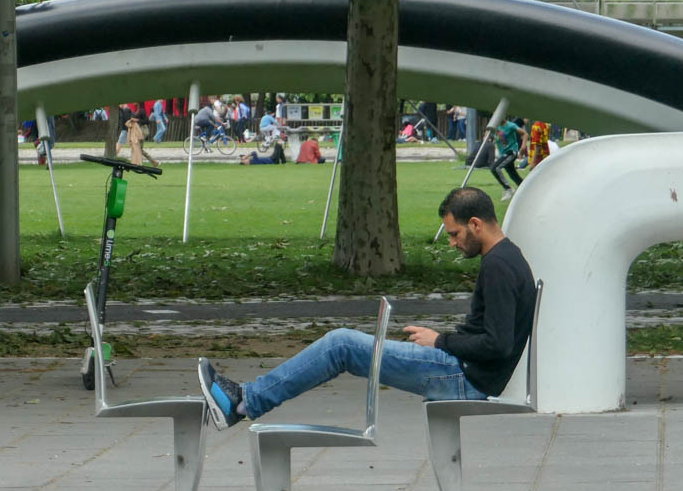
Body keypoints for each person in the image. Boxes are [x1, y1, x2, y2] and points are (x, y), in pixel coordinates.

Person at [197, 187, 536, 430]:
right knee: (344, 344)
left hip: (465, 377)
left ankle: (243, 401)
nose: (452, 243)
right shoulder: (508, 257)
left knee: (341, 344)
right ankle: (246, 399)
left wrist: (440, 340)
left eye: (455, 233)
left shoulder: (498, 267)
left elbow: (498, 344)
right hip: (464, 369)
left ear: (475, 224)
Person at [490, 117, 526, 200]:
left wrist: (523, 146)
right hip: (503, 154)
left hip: (511, 152)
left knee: (495, 168)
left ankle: (508, 189)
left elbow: (524, 134)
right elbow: (493, 137)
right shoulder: (495, 127)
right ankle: (527, 190)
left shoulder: (510, 125)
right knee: (513, 175)